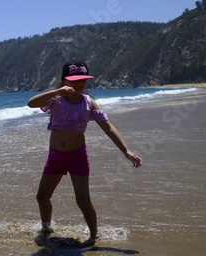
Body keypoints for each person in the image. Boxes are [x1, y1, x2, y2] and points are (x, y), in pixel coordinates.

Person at [27, 61, 142, 243]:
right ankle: (46, 229)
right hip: (55, 156)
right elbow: (31, 103)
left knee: (83, 201)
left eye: (83, 80)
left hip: (77, 157)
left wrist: (126, 151)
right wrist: (58, 91)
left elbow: (108, 128)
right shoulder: (55, 100)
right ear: (64, 80)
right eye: (74, 80)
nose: (79, 84)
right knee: (42, 197)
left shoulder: (89, 103)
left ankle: (94, 235)